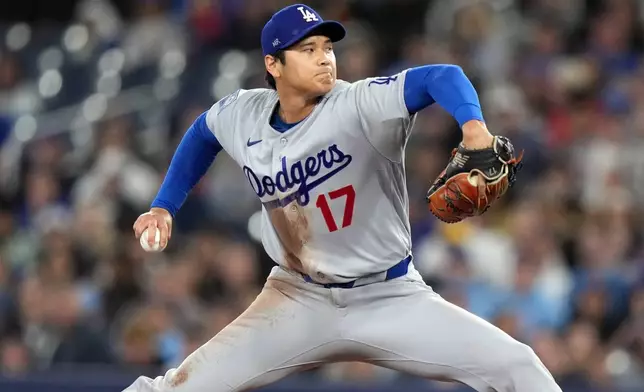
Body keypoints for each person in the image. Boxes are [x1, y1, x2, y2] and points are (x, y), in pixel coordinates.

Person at [126, 4, 562, 392]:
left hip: (389, 298)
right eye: (307, 49)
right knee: (175, 387)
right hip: (296, 299)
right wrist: (164, 205)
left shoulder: (359, 104)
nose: (323, 57)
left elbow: (442, 76)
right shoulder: (245, 114)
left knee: (517, 366)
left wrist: (473, 128)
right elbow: (203, 132)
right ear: (273, 64)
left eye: (326, 47)